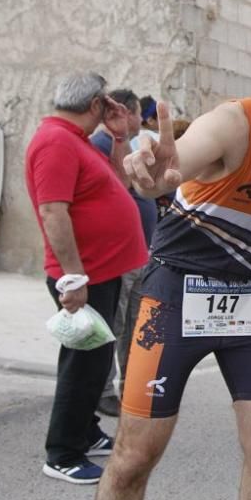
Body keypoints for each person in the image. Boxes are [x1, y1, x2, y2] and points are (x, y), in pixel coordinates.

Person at [95, 28, 251, 500]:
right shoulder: (233, 124)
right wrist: (150, 179)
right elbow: (166, 172)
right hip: (174, 295)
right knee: (133, 457)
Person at [25, 73, 148, 484]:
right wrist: (74, 278)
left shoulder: (76, 140)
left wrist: (118, 137)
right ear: (96, 103)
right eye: (107, 106)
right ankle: (62, 452)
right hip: (84, 277)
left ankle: (86, 430)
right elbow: (52, 212)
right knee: (82, 366)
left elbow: (123, 183)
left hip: (102, 273)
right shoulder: (55, 142)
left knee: (94, 365)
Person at [89, 89, 159, 418]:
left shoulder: (126, 144)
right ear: (128, 114)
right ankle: (103, 389)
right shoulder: (102, 145)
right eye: (135, 115)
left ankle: (131, 385)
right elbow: (118, 187)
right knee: (114, 324)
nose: (137, 121)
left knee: (135, 324)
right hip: (119, 256)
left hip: (139, 254)